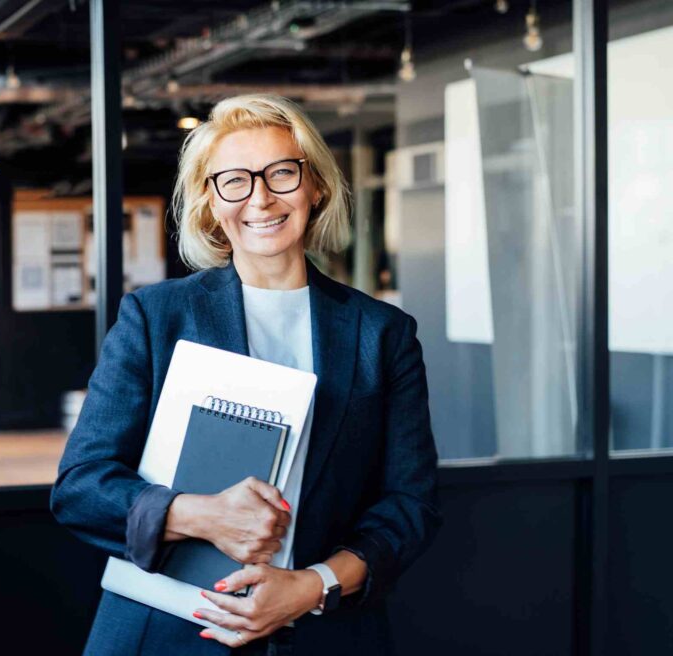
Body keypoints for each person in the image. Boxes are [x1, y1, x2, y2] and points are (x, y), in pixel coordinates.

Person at [51, 94, 441, 656]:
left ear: (316, 186)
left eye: (282, 173)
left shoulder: (383, 333)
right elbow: (80, 488)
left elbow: (411, 505)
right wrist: (197, 515)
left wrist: (314, 586)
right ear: (210, 203)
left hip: (321, 634)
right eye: (234, 180)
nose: (260, 198)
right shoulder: (155, 318)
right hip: (165, 634)